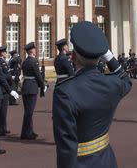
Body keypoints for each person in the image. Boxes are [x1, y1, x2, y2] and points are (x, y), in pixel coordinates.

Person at [52, 21, 132, 167]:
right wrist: (108, 55)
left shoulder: (65, 92)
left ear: (73, 57)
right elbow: (126, 79)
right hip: (107, 160)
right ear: (100, 57)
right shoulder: (112, 84)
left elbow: (66, 148)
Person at [20, 41, 46, 140]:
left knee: (28, 111)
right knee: (29, 112)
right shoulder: (34, 61)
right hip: (32, 87)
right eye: (34, 48)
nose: (36, 50)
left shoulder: (25, 61)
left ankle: (28, 131)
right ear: (32, 50)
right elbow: (38, 76)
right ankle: (26, 133)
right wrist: (42, 85)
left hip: (26, 85)